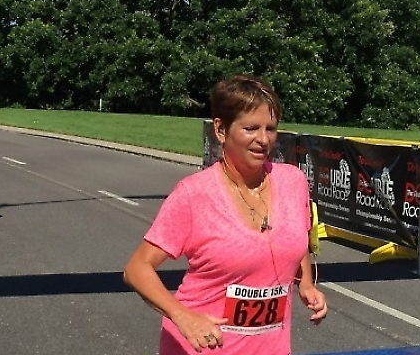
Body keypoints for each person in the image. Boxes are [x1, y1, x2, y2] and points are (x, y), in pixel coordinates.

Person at [124, 74, 327, 354]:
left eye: (270, 128)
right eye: (251, 128)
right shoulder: (194, 194)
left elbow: (297, 236)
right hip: (201, 348)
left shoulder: (293, 182)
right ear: (221, 129)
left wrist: (305, 284)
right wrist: (183, 316)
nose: (263, 139)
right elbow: (136, 269)